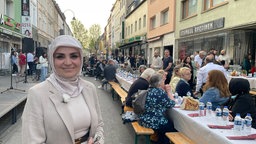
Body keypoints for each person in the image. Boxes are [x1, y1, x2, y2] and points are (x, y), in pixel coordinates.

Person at [22, 35, 104, 144]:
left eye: (74, 56)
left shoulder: (89, 88)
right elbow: (32, 141)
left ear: (81, 59)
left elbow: (98, 124)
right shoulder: (37, 93)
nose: (68, 62)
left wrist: (98, 141)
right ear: (52, 59)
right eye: (60, 57)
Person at [138, 73, 176, 144]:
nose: (164, 83)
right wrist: (169, 91)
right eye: (163, 81)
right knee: (171, 128)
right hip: (154, 122)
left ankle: (159, 141)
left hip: (144, 119)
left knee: (166, 125)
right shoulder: (159, 92)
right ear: (159, 83)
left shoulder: (148, 90)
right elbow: (172, 104)